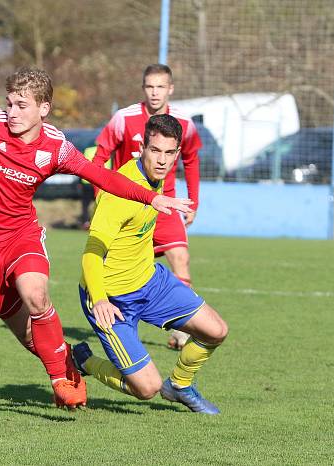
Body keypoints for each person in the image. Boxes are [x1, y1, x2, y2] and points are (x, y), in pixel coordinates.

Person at [0, 68, 192, 409]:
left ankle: (60, 377)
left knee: (36, 295)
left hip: (20, 235)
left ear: (43, 108)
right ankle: (68, 361)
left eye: (22, 106)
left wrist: (152, 197)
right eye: (10, 103)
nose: (12, 112)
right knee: (31, 337)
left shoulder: (56, 148)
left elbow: (102, 176)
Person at [72, 114, 228, 414]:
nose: (161, 160)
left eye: (169, 153)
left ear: (177, 154)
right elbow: (92, 252)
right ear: (141, 147)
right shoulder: (120, 191)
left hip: (150, 282)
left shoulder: (158, 182)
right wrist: (100, 299)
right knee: (146, 389)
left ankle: (180, 385)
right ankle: (82, 360)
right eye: (155, 150)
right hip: (111, 298)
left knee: (216, 330)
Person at [92, 64, 200, 350]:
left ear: (170, 89)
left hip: (166, 204)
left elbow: (192, 160)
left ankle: (182, 329)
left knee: (180, 257)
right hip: (128, 207)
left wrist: (193, 202)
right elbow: (99, 158)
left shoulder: (183, 123)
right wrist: (100, 193)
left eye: (160, 87)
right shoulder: (123, 119)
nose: (155, 92)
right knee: (119, 269)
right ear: (143, 88)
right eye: (150, 86)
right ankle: (120, 320)